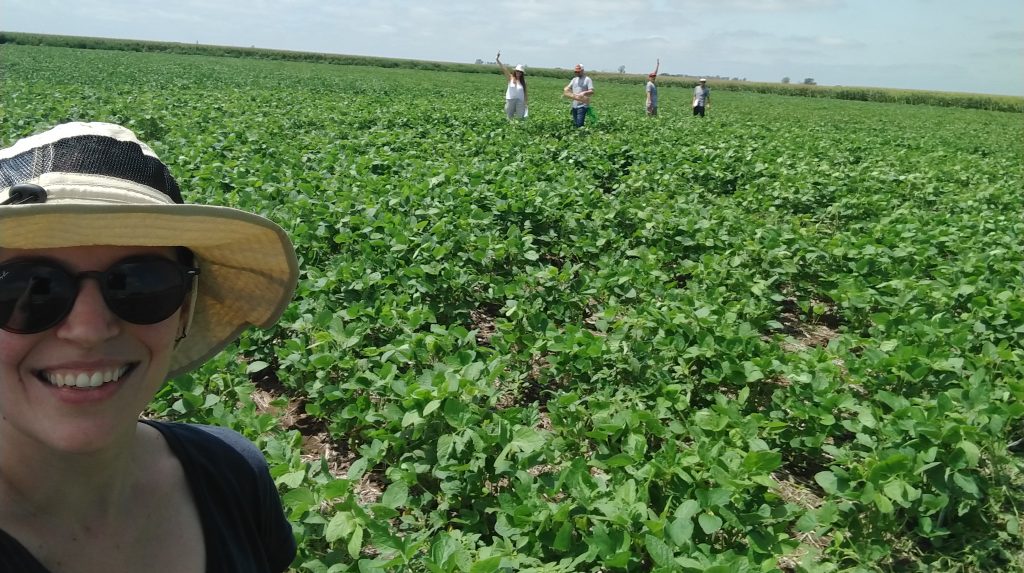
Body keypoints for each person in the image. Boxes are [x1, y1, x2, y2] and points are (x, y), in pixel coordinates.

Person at [0, 122, 299, 572]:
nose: (88, 329)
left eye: (140, 285)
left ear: (183, 309)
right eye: (30, 288)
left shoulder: (232, 473)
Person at [495, 51, 528, 120]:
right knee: (509, 117)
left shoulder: (524, 81)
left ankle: (518, 129)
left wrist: (526, 103)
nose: (518, 73)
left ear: (522, 73)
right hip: (510, 100)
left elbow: (525, 93)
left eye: (520, 72)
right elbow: (504, 69)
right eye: (517, 71)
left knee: (520, 117)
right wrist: (497, 59)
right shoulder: (510, 78)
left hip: (520, 101)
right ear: (515, 71)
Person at [563, 64, 594, 128]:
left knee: (579, 124)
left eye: (578, 71)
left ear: (582, 71)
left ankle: (582, 135)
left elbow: (591, 91)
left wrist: (584, 93)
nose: (576, 73)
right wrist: (566, 89)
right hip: (574, 105)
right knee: (576, 123)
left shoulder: (587, 79)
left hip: (583, 105)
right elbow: (568, 87)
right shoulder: (574, 79)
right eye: (575, 72)